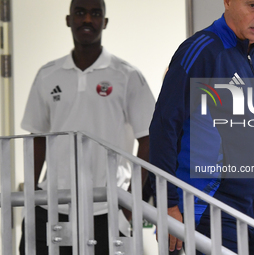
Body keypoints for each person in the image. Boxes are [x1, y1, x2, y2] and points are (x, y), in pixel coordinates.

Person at [149, 0, 254, 254]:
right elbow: (163, 128)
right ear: (227, 2)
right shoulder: (200, 51)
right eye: (253, 5)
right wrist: (167, 203)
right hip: (212, 207)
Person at [19, 0, 155, 254]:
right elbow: (37, 137)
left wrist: (129, 203)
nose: (87, 20)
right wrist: (31, 195)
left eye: (95, 14)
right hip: (52, 205)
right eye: (80, 13)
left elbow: (149, 139)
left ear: (104, 22)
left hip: (108, 207)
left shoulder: (126, 75)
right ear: (69, 19)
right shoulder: (48, 74)